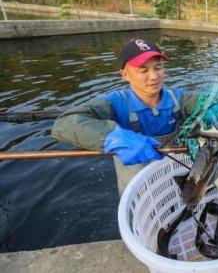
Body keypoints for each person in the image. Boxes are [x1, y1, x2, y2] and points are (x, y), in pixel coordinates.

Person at [52, 38, 196, 195]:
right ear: (125, 74)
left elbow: (209, 102)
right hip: (138, 190)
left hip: (177, 179)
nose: (154, 76)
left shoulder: (179, 99)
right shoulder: (114, 102)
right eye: (143, 70)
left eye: (158, 67)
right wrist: (113, 137)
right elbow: (65, 123)